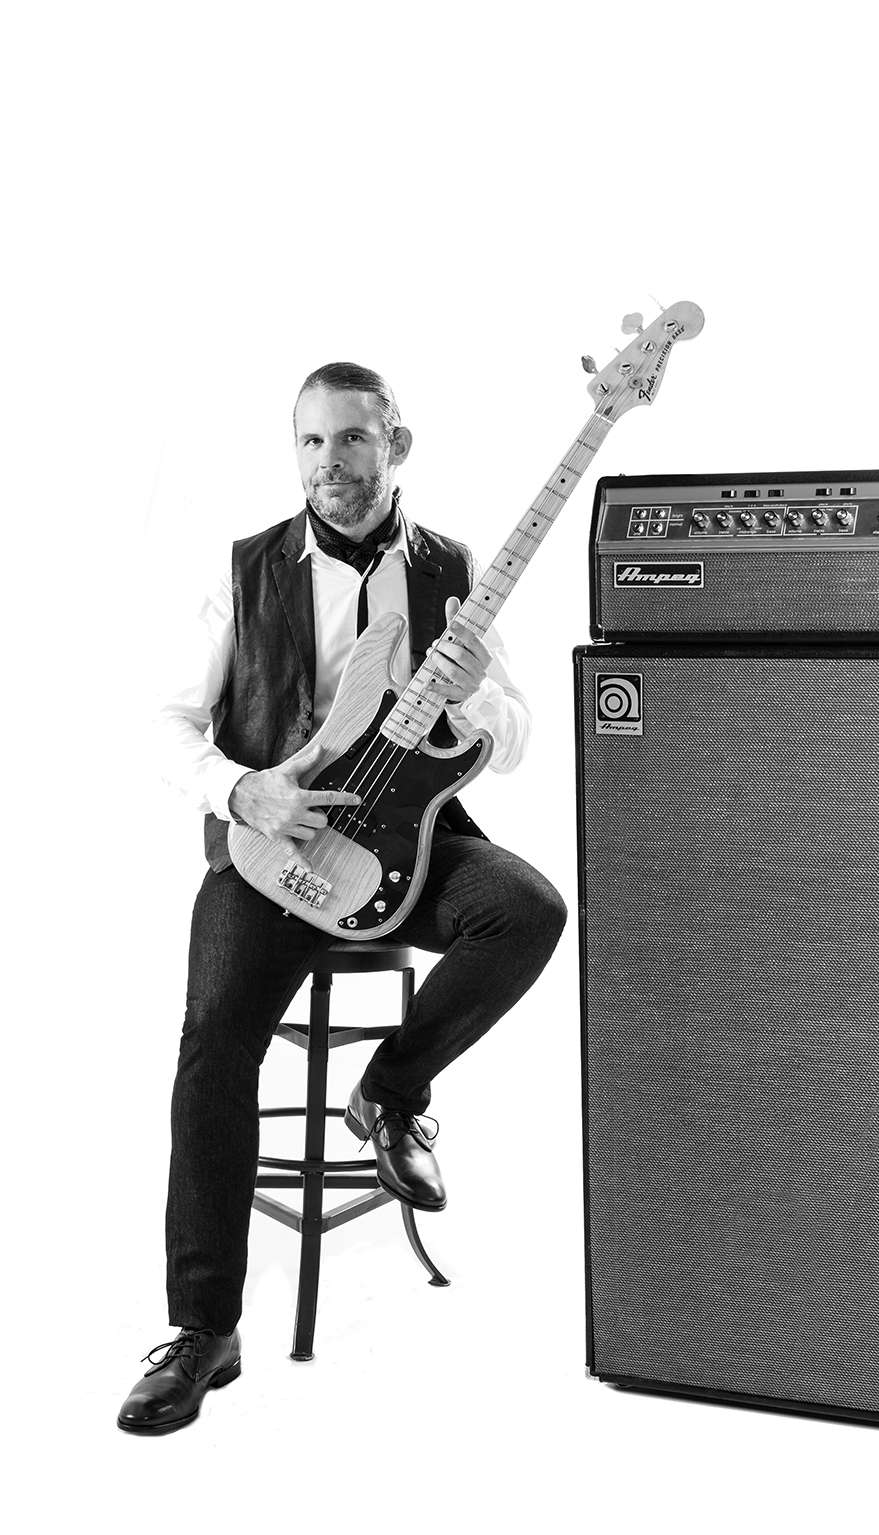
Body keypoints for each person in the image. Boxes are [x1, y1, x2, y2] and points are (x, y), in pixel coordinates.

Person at [118, 362, 567, 1434]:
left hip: (407, 844)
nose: (330, 466)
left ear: (396, 445)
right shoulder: (246, 569)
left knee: (527, 908)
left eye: (353, 441)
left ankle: (391, 1090)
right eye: (311, 444)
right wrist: (243, 788)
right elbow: (162, 722)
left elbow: (512, 732)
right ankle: (202, 1328)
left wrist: (479, 702)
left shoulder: (454, 569)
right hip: (273, 852)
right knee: (213, 1043)